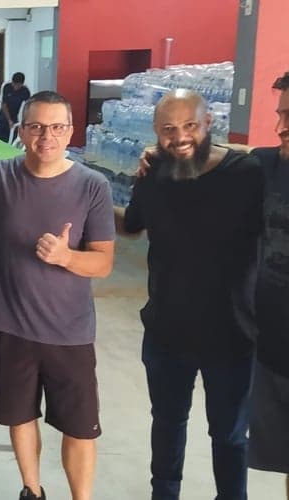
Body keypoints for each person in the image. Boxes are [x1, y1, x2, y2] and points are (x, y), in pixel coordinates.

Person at [116, 89, 261, 500]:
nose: (179, 137)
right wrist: (85, 203)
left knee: (230, 436)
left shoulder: (247, 173)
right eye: (168, 129)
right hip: (166, 331)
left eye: (190, 126)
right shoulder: (155, 171)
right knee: (166, 424)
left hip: (232, 334)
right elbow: (132, 224)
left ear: (209, 123)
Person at [0, 90, 115, 500]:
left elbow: (103, 263)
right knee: (19, 415)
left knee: (79, 425)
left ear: (70, 132)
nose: (46, 137)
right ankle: (31, 489)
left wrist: (66, 256)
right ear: (21, 131)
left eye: (56, 127)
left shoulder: (93, 185)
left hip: (69, 332)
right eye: (36, 127)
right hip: (11, 325)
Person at [242, 72, 289, 497]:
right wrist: (157, 153)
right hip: (273, 347)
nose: (281, 127)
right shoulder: (265, 166)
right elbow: (214, 159)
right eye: (280, 115)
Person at [0, 72, 31, 142]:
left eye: (17, 85)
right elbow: (4, 105)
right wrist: (9, 120)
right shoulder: (7, 87)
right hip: (2, 116)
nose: (15, 87)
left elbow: (28, 105)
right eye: (14, 84)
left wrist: (25, 119)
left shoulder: (25, 91)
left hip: (14, 117)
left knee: (12, 139)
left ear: (21, 84)